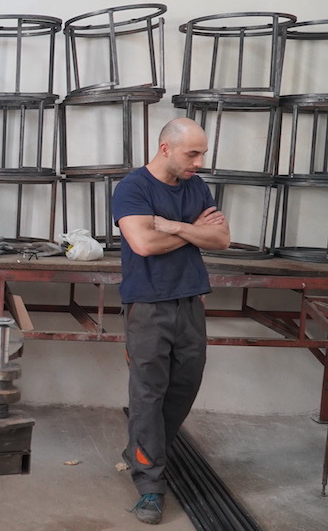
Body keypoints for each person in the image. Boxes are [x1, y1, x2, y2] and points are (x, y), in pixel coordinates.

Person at [111, 117, 230, 524]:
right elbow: (144, 243)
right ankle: (149, 484)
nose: (199, 162)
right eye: (192, 154)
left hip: (190, 300)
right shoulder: (133, 188)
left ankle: (147, 452)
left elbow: (222, 239)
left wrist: (178, 226)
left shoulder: (196, 186)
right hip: (148, 305)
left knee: (185, 386)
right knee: (149, 393)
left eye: (202, 154)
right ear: (166, 149)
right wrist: (195, 231)